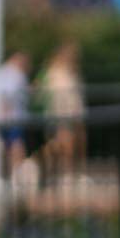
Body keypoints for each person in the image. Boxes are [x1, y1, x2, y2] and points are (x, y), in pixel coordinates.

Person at [38, 43, 85, 171]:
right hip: (59, 112)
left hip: (73, 112)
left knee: (75, 142)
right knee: (63, 143)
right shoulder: (52, 71)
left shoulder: (73, 72)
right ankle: (62, 171)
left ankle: (69, 171)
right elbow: (41, 91)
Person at [0, 50, 32, 177]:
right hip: (12, 117)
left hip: (9, 117)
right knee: (15, 144)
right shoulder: (13, 74)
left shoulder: (7, 73)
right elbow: (6, 96)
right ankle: (15, 172)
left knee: (10, 145)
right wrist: (4, 113)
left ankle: (9, 172)